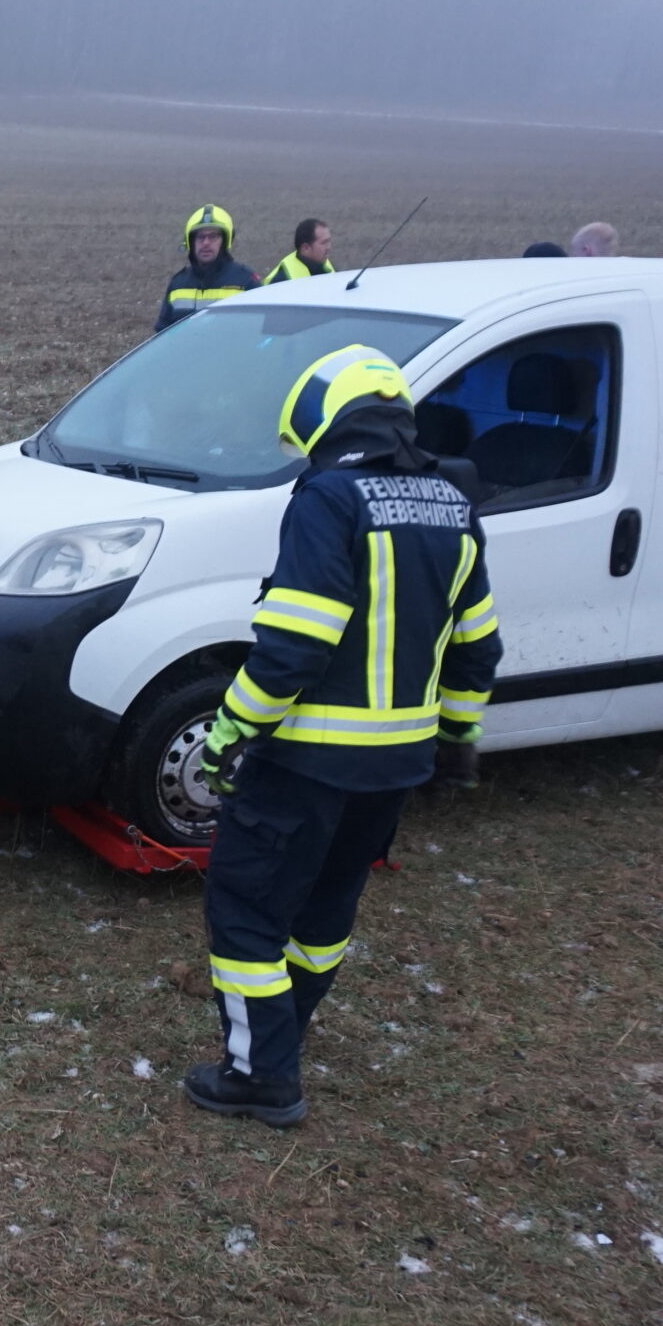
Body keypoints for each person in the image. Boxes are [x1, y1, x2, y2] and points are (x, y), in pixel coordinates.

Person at [185, 347, 503, 1125]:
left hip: (305, 761)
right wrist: (457, 738)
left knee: (246, 908)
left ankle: (261, 1076)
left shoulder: (330, 498)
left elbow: (294, 645)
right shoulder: (453, 504)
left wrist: (229, 733)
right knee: (328, 906)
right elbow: (478, 646)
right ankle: (285, 1034)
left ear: (327, 420)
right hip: (396, 768)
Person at [157, 204, 261, 331]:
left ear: (225, 241)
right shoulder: (178, 284)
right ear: (191, 242)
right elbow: (162, 333)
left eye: (213, 236)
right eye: (200, 237)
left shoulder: (246, 282)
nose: (206, 243)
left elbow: (259, 331)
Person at [265, 217, 335, 284]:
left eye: (328, 241)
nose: (328, 247)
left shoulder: (326, 264)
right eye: (324, 243)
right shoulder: (282, 280)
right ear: (306, 248)